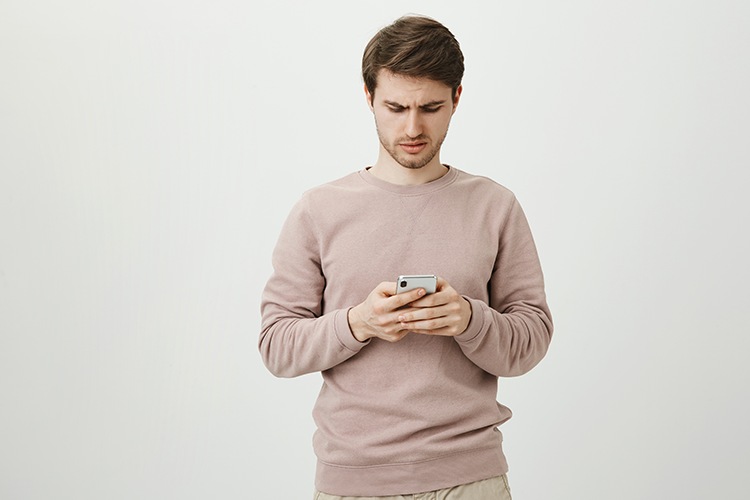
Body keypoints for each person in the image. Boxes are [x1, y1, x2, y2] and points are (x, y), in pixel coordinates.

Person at [259, 14, 553, 500]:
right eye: (395, 107)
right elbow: (276, 346)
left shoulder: (495, 206)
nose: (412, 127)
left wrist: (469, 320)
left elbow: (533, 338)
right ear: (370, 98)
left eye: (431, 107)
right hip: (353, 481)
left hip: (470, 478)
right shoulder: (318, 210)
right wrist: (358, 323)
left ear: (457, 99)